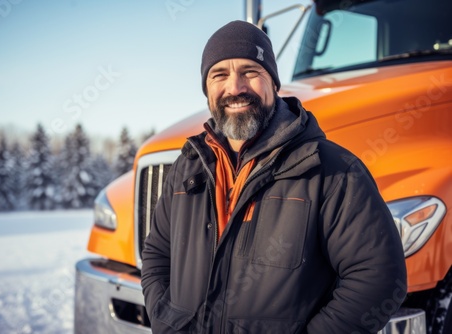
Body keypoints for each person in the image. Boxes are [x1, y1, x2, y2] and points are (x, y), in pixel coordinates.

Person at [141, 20, 407, 334]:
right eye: (219, 75)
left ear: (274, 83)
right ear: (207, 89)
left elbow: (378, 278)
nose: (235, 87)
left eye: (250, 72)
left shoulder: (333, 170)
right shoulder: (187, 167)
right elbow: (157, 255)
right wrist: (166, 322)